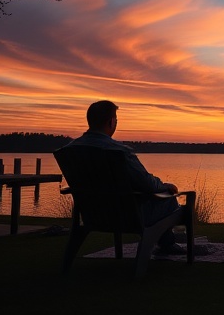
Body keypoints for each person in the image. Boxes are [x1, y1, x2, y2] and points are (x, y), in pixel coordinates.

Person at [65, 100, 183, 254]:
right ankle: (167, 245)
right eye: (116, 120)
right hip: (129, 217)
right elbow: (146, 183)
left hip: (92, 215)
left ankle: (166, 245)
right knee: (169, 198)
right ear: (111, 122)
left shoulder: (69, 150)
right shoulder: (119, 151)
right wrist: (164, 186)